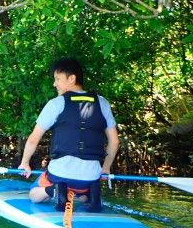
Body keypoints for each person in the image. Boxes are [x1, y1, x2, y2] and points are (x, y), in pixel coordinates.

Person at [18, 58, 119, 213]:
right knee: (82, 190)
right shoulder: (103, 103)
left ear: (72, 78)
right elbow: (114, 142)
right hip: (91, 176)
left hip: (60, 174)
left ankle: (54, 191)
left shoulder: (56, 103)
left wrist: (25, 163)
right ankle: (90, 196)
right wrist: (105, 168)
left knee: (33, 195)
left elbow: (33, 139)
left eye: (57, 79)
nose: (54, 84)